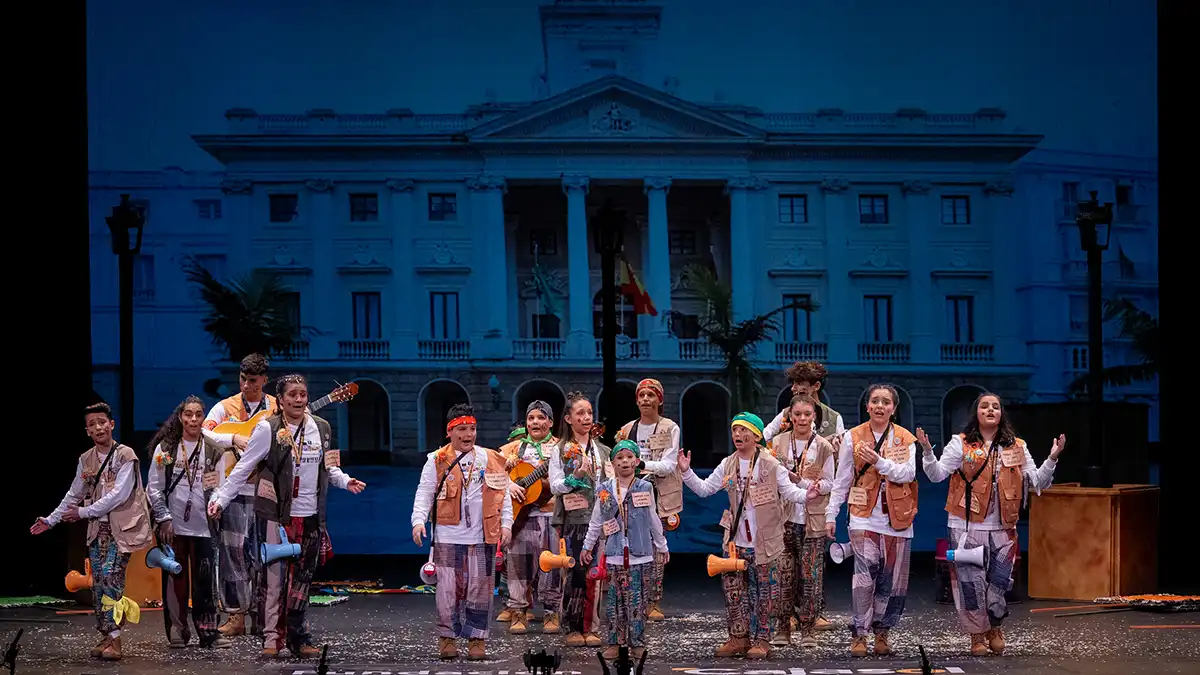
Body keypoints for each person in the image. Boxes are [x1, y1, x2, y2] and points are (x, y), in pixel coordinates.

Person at [207, 373, 367, 659]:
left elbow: (329, 468)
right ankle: (272, 638)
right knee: (274, 581)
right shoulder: (268, 429)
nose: (298, 399)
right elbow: (243, 468)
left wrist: (345, 481)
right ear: (279, 400)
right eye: (292, 394)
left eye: (302, 394)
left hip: (311, 517)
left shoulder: (322, 428)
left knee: (303, 582)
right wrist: (221, 498)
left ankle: (298, 638)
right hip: (277, 517)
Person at [920, 392, 1065, 656]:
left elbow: (1037, 483)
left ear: (1001, 414)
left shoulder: (1016, 446)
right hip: (965, 526)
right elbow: (937, 475)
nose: (990, 410)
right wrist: (928, 453)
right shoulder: (960, 443)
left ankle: (994, 626)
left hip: (1003, 528)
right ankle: (977, 636)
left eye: (995, 407)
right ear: (976, 412)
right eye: (984, 406)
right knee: (970, 583)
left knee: (999, 582)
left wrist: (1052, 458)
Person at [678, 412, 811, 659]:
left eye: (743, 430)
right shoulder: (728, 463)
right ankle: (738, 638)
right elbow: (705, 489)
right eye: (735, 430)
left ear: (757, 435)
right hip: (734, 543)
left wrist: (809, 494)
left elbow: (791, 492)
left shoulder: (770, 464)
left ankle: (762, 639)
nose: (738, 435)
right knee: (734, 592)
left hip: (764, 542)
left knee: (764, 593)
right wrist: (686, 472)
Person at [31, 402, 153, 661]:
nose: (98, 427)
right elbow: (74, 494)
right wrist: (51, 520)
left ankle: (117, 640)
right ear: (87, 431)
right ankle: (107, 635)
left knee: (111, 580)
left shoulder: (126, 456)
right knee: (98, 584)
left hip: (121, 529)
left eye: (101, 422)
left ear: (111, 424)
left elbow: (118, 496)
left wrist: (83, 513)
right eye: (92, 424)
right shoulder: (85, 459)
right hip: (98, 530)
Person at [410, 404, 513, 660]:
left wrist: (507, 524)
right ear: (450, 431)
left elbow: (504, 495)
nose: (469, 434)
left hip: (482, 537)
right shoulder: (436, 459)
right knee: (447, 593)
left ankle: (477, 640)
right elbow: (424, 492)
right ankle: (447, 638)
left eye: (473, 429)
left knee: (480, 592)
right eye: (463, 429)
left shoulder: (490, 458)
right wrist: (418, 521)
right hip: (448, 537)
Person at [825, 384, 919, 657]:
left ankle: (882, 633)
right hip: (862, 517)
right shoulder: (853, 437)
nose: (880, 406)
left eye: (885, 402)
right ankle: (860, 634)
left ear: (893, 408)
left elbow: (908, 474)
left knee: (892, 582)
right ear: (867, 406)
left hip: (898, 518)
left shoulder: (905, 439)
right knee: (864, 578)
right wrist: (831, 514)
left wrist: (879, 462)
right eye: (875, 401)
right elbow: (842, 479)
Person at [145, 395, 231, 649]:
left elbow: (219, 486)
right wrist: (163, 518)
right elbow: (154, 488)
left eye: (198, 414)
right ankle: (177, 631)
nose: (193, 419)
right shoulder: (167, 448)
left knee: (205, 583)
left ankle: (208, 633)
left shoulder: (214, 448)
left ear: (204, 418)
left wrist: (216, 504)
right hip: (173, 527)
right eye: (188, 414)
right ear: (181, 417)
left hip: (204, 527)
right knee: (175, 582)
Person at [200, 352, 276, 638]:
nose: (246, 386)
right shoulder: (224, 406)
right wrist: (233, 438)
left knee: (265, 554)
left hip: (267, 491)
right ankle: (236, 615)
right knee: (233, 553)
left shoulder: (277, 407)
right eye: (243, 379)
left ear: (265, 380)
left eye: (253, 381)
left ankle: (262, 615)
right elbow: (206, 433)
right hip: (233, 489)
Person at [581, 439, 669, 659]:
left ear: (637, 461)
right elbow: (596, 520)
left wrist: (662, 544)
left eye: (629, 457)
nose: (625, 462)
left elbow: (652, 518)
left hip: (641, 554)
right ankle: (614, 642)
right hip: (615, 554)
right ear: (612, 463)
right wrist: (588, 546)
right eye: (620, 458)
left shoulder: (644, 487)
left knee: (638, 602)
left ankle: (636, 641)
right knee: (615, 602)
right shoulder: (604, 490)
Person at [769, 394, 835, 648]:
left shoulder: (823, 446)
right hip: (783, 519)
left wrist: (807, 484)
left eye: (807, 414)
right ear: (790, 417)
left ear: (814, 417)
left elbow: (831, 482)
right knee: (784, 576)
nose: (802, 419)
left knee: (811, 576)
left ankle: (808, 628)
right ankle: (783, 627)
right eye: (797, 415)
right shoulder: (778, 442)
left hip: (813, 521)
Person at [548, 391, 614, 648]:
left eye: (589, 413)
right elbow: (554, 485)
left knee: (596, 574)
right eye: (580, 413)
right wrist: (572, 479)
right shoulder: (561, 450)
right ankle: (573, 626)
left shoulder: (603, 451)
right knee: (575, 572)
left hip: (599, 520)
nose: (587, 418)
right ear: (568, 418)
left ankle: (592, 626)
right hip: (573, 519)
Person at [613, 378, 680, 621]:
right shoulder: (626, 429)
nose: (645, 400)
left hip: (659, 497)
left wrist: (640, 464)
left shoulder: (670, 427)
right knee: (629, 545)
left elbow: (668, 465)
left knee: (656, 548)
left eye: (650, 395)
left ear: (659, 400)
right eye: (641, 395)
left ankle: (653, 601)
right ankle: (631, 598)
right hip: (629, 495)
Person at [500, 401, 563, 634]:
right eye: (531, 418)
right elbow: (493, 474)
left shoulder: (561, 447)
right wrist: (509, 485)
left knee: (551, 566)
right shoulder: (513, 448)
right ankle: (518, 611)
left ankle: (551, 612)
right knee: (518, 565)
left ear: (550, 422)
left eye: (541, 418)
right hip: (520, 517)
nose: (535, 422)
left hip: (550, 514)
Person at [494, 421, 527, 622]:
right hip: (509, 515)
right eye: (515, 440)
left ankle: (528, 603)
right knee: (507, 561)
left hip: (529, 512)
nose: (519, 444)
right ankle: (508, 604)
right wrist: (510, 485)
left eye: (522, 440)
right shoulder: (504, 458)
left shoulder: (534, 458)